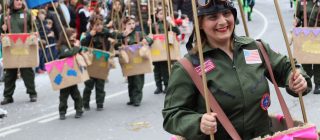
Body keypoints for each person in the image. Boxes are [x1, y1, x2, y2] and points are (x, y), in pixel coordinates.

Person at [162, 1, 312, 139]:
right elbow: (172, 115)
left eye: (227, 14)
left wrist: (296, 79)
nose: (222, 22)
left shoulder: (255, 47)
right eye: (213, 17)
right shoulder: (188, 66)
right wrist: (198, 122)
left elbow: (287, 67)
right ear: (200, 23)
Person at [0, 0, 38, 105]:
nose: (19, 2)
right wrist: (3, 29)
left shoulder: (28, 13)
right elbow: (1, 33)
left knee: (27, 71)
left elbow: (35, 29)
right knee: (9, 73)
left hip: (25, 47)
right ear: (11, 2)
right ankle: (8, 96)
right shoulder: (4, 16)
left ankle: (32, 93)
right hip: (11, 48)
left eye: (21, 0)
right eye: (17, 0)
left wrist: (34, 23)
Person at [80, 15, 119, 111]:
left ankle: (100, 103)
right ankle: (85, 103)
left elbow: (115, 36)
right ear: (92, 25)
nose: (100, 27)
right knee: (89, 85)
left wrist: (113, 33)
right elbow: (82, 44)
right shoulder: (87, 34)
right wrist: (90, 35)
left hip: (102, 62)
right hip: (91, 62)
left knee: (100, 84)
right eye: (97, 25)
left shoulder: (105, 33)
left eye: (101, 24)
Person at [121, 16, 153, 106]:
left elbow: (150, 40)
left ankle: (137, 99)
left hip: (139, 59)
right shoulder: (123, 35)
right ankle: (131, 98)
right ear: (124, 25)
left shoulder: (139, 33)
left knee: (138, 80)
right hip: (129, 61)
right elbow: (116, 44)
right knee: (130, 80)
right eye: (129, 24)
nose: (131, 25)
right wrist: (122, 38)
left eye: (133, 23)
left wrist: (146, 41)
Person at [148, 7, 180, 94]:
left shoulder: (168, 24)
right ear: (157, 15)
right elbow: (149, 35)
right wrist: (148, 25)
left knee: (165, 70)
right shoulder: (154, 24)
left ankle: (167, 86)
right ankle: (158, 86)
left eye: (165, 13)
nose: (163, 15)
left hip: (166, 49)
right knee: (157, 70)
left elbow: (178, 32)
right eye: (161, 13)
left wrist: (172, 24)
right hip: (156, 49)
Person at [56, 28, 83, 120]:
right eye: (72, 36)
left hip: (72, 72)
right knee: (63, 95)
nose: (74, 38)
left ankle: (79, 109)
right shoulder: (62, 46)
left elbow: (78, 52)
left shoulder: (72, 44)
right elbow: (68, 54)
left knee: (75, 93)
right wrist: (75, 48)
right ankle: (62, 112)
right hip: (64, 73)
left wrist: (79, 47)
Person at [295, 0, 320, 94]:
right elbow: (297, 17)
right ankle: (307, 80)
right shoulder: (302, 2)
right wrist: (296, 21)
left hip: (318, 35)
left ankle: (318, 84)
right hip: (305, 35)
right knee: (306, 61)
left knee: (318, 61)